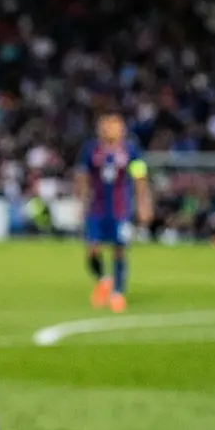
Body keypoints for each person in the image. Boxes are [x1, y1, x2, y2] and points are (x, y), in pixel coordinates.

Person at [74, 113, 151, 313]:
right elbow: (82, 175)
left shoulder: (130, 150)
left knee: (119, 249)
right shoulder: (91, 149)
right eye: (106, 126)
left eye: (115, 126)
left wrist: (143, 204)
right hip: (96, 207)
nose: (110, 129)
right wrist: (80, 202)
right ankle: (104, 280)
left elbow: (140, 178)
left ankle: (117, 294)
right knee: (92, 248)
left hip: (120, 209)